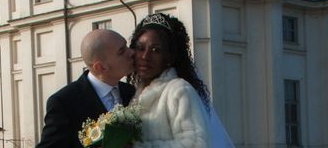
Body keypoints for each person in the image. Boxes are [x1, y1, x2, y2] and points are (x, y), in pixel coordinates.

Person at [36, 29, 136, 148]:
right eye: (121, 51)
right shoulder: (64, 103)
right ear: (100, 67)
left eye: (126, 46)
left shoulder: (131, 92)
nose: (131, 52)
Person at [128, 13, 214, 148]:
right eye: (140, 48)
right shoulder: (134, 94)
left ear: (169, 56)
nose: (145, 56)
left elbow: (196, 144)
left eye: (156, 50)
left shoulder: (179, 91)